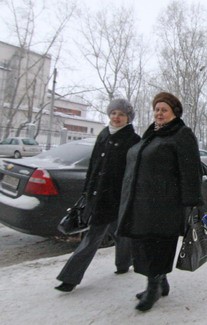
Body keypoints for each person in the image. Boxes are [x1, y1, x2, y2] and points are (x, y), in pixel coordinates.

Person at [117, 91, 203, 312]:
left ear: (174, 112)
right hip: (141, 202)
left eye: (164, 109)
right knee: (144, 244)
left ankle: (153, 288)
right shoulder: (152, 134)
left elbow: (191, 170)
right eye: (156, 109)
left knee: (156, 244)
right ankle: (160, 282)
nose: (159, 113)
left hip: (164, 204)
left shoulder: (182, 135)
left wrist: (191, 203)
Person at [55, 98, 141, 292]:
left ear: (128, 118)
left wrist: (130, 196)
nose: (116, 117)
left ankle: (69, 278)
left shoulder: (133, 140)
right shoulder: (103, 134)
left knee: (93, 238)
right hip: (98, 196)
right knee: (120, 232)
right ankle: (124, 264)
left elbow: (134, 172)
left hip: (118, 198)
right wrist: (87, 191)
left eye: (121, 114)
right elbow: (93, 165)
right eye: (113, 113)